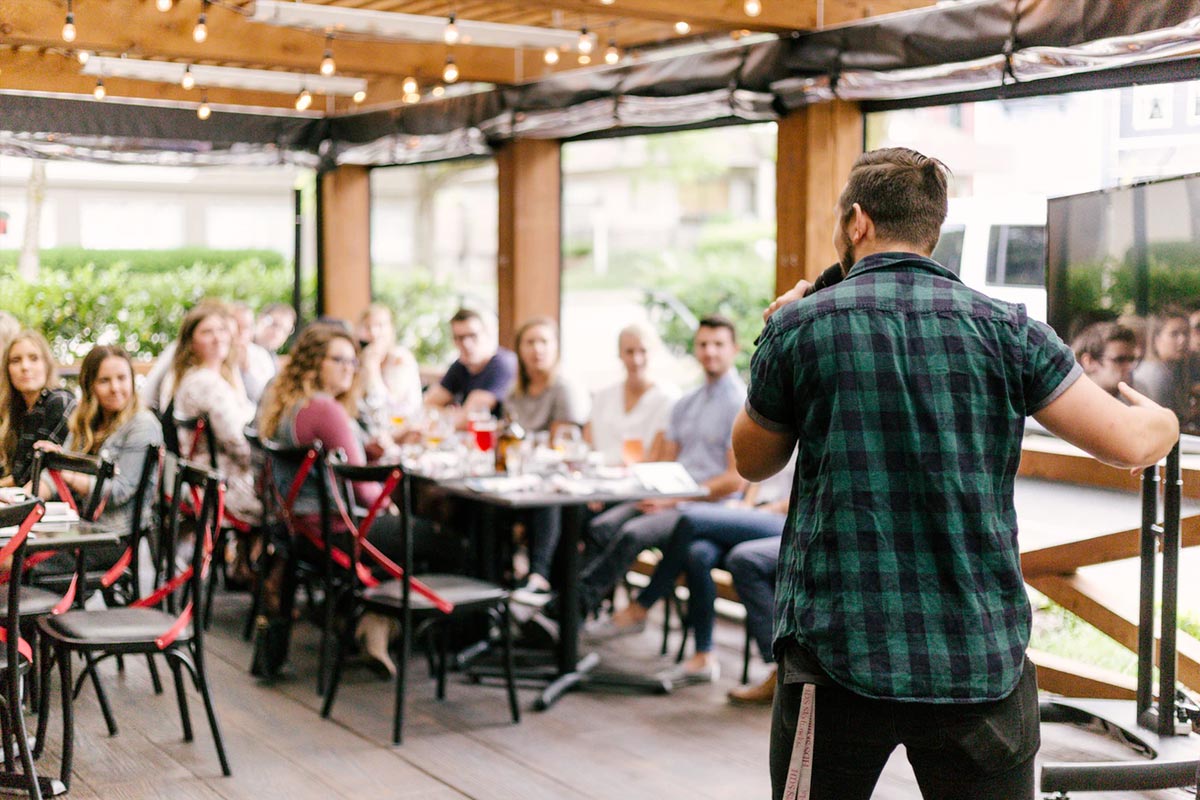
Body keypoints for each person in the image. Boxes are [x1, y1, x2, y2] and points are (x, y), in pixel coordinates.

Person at [736, 147, 1178, 800]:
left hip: (836, 651)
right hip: (977, 653)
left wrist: (777, 333)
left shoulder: (801, 327)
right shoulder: (1009, 329)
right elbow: (1130, 443)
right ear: (932, 230)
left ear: (857, 222)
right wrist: (1165, 417)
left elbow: (752, 458)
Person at [259, 323, 431, 677]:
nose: (349, 369)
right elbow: (364, 490)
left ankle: (371, 618)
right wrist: (391, 505)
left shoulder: (291, 405)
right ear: (312, 364)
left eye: (353, 362)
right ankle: (391, 623)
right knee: (444, 541)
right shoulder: (326, 409)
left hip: (302, 535)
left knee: (419, 532)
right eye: (338, 360)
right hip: (341, 531)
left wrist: (367, 448)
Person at [575, 315, 747, 623]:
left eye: (718, 345)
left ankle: (573, 608)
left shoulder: (740, 404)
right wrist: (655, 492)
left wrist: (673, 499)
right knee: (599, 525)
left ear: (734, 349)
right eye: (703, 344)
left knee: (630, 533)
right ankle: (584, 609)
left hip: (704, 507)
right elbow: (666, 462)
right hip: (668, 497)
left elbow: (735, 480)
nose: (710, 352)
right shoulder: (686, 402)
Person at [597, 457, 793, 687]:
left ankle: (642, 604)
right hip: (746, 514)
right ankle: (704, 657)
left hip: (776, 518)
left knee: (689, 520)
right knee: (696, 554)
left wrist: (751, 510)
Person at [34, 345, 163, 571]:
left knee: (26, 566)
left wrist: (68, 473)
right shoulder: (85, 420)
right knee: (17, 551)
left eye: (122, 378)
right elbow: (53, 478)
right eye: (105, 380)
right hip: (80, 526)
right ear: (90, 385)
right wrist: (22, 499)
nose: (115, 388)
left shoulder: (142, 425)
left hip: (114, 537)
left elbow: (120, 491)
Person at [505, 317, 589, 600]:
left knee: (546, 498)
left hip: (556, 482)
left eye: (544, 342)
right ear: (519, 349)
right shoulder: (514, 393)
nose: (537, 349)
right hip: (519, 480)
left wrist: (525, 447)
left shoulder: (565, 389)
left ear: (556, 348)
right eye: (530, 342)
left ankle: (538, 577)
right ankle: (496, 580)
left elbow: (560, 444)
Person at [166, 302, 262, 527]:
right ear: (191, 342)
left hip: (212, 481)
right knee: (291, 508)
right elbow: (239, 442)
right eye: (207, 332)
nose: (218, 337)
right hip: (222, 487)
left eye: (221, 330)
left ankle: (246, 562)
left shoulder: (212, 377)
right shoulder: (205, 383)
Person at [585, 323, 679, 465]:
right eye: (629, 352)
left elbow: (656, 456)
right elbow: (587, 445)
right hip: (597, 476)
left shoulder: (667, 397)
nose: (636, 360)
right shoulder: (602, 397)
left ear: (653, 352)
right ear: (619, 354)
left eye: (643, 351)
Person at [0, 330, 76, 488]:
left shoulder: (59, 401)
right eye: (15, 360)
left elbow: (27, 475)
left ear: (46, 365)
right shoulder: (14, 410)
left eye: (34, 358)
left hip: (51, 504)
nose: (25, 367)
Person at [424, 308, 517, 419]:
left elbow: (469, 418)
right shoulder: (460, 366)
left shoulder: (502, 364)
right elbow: (426, 406)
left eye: (473, 335)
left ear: (486, 334)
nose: (466, 344)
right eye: (460, 338)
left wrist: (448, 414)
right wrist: (455, 414)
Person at [356, 303, 423, 432]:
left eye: (380, 326)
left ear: (391, 329)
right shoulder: (362, 358)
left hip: (404, 430)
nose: (374, 333)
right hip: (374, 429)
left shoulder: (400, 359)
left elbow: (386, 408)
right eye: (368, 327)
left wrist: (372, 368)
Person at [1131, 308, 1191, 418]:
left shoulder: (1173, 369)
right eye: (1174, 334)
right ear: (1156, 338)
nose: (1182, 340)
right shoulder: (1155, 374)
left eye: (1186, 333)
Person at [1071, 321, 1138, 397]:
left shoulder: (1138, 393)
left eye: (1131, 360)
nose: (1130, 367)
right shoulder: (1069, 403)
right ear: (1089, 362)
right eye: (1120, 360)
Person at [229, 302, 277, 405]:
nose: (241, 332)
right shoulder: (217, 354)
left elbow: (265, 396)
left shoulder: (261, 355)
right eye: (237, 326)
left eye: (245, 327)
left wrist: (246, 368)